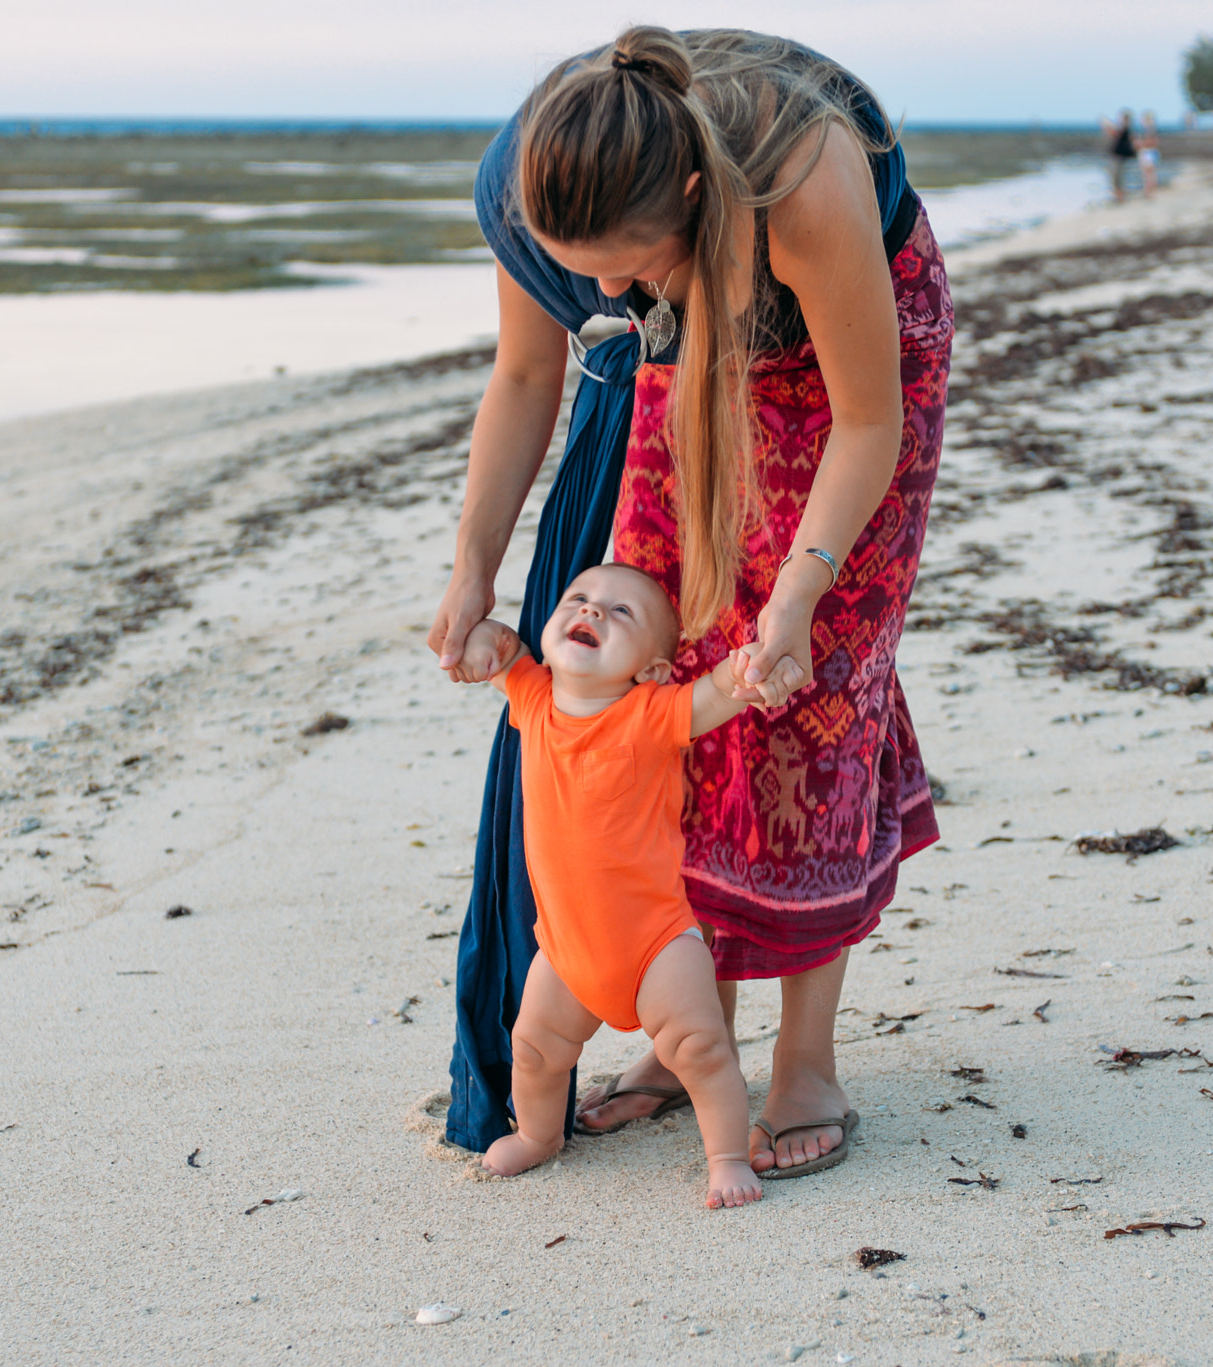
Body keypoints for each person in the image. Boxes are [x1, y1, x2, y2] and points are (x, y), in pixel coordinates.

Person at [432, 26, 953, 1178]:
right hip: (698, 332)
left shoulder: (798, 179)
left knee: (807, 693)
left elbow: (870, 421)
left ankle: (806, 1058)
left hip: (852, 378)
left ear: (679, 194)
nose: (604, 293)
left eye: (620, 261)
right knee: (671, 668)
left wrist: (802, 593)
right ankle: (689, 1030)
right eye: (584, 269)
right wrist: (472, 560)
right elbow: (526, 372)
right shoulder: (552, 184)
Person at [457, 564, 767, 1208]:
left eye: (621, 613)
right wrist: (483, 636)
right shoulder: (532, 697)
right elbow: (502, 647)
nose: (594, 611)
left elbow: (713, 695)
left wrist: (744, 674)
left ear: (652, 669)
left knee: (701, 1049)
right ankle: (541, 1135)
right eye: (580, 599)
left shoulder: (650, 712)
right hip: (569, 950)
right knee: (536, 1047)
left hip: (656, 942)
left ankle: (728, 1156)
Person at [1105, 110, 1137, 202]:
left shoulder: (1124, 129)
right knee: (1118, 178)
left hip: (1119, 157)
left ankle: (1120, 197)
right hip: (1119, 156)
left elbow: (1115, 133)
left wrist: (1108, 125)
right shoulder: (1126, 129)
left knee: (1118, 178)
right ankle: (1119, 196)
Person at [1138, 111, 1161, 198]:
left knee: (1148, 174)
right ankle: (1150, 191)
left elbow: (1152, 142)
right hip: (1151, 152)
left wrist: (1141, 144)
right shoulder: (1152, 129)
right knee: (1151, 174)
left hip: (1148, 152)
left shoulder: (1150, 129)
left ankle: (1149, 192)